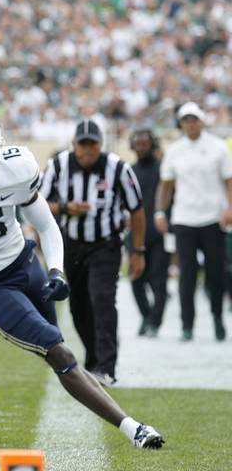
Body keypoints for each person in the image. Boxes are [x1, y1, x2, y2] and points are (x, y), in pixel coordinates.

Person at [0, 102, 163, 450]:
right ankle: (133, 428)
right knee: (59, 354)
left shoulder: (17, 167)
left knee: (54, 346)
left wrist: (56, 269)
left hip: (26, 263)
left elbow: (45, 223)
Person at [40, 119, 146, 387]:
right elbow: (38, 204)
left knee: (102, 298)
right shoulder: (58, 166)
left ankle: (107, 367)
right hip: (72, 243)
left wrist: (138, 250)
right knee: (79, 307)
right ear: (74, 144)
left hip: (105, 244)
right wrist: (65, 208)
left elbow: (136, 209)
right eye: (83, 144)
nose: (88, 150)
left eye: (93, 144)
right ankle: (93, 358)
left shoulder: (118, 168)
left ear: (101, 145)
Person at [154, 102, 232, 342]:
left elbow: (229, 181)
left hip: (212, 218)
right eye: (186, 120)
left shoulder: (218, 147)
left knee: (215, 274)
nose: (190, 124)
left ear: (201, 121)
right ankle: (187, 325)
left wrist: (230, 208)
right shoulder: (175, 151)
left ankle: (218, 319)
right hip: (184, 219)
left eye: (194, 119)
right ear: (181, 124)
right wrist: (159, 212)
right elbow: (166, 185)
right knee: (186, 275)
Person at [129, 129, 170, 337]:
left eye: (145, 143)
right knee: (136, 279)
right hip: (135, 233)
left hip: (159, 233)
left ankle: (155, 322)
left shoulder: (164, 169)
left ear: (153, 144)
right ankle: (146, 316)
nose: (142, 147)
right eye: (138, 143)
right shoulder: (129, 171)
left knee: (158, 279)